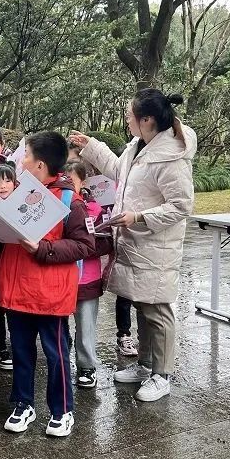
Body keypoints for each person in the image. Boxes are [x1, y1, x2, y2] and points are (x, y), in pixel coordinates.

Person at [70, 88, 196, 402]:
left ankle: (162, 375)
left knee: (157, 310)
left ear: (147, 119)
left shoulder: (171, 157)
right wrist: (92, 147)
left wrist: (139, 217)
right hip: (135, 242)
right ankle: (145, 364)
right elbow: (120, 172)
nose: (127, 120)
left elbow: (181, 206)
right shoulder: (139, 145)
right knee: (141, 303)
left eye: (130, 116)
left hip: (156, 246)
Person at [0, 133, 95, 436]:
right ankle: (23, 403)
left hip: (50, 294)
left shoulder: (69, 200)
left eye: (25, 155)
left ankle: (62, 409)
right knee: (21, 351)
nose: (21, 160)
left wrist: (43, 248)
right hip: (17, 289)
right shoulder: (17, 194)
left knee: (55, 353)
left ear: (40, 164)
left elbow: (84, 245)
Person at [65, 161, 113, 389]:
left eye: (71, 180)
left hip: (87, 278)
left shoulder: (96, 209)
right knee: (58, 325)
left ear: (82, 182)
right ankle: (62, 360)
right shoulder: (55, 207)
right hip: (61, 277)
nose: (66, 185)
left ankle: (87, 366)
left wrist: (80, 246)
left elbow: (106, 242)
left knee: (85, 325)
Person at [0, 162, 18, 371]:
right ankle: (1, 348)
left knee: (14, 311)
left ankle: (17, 347)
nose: (3, 185)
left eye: (7, 181)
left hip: (16, 266)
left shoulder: (21, 205)